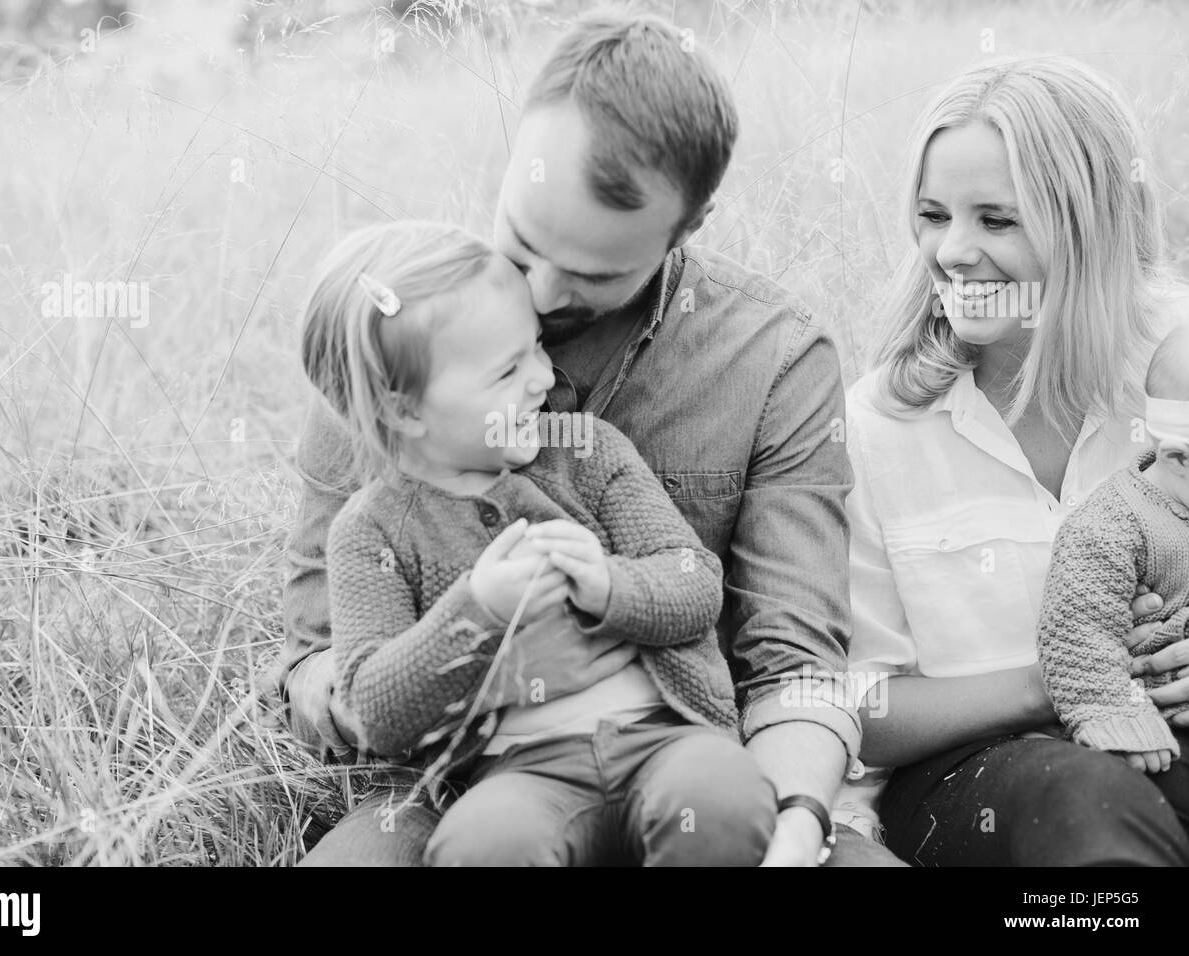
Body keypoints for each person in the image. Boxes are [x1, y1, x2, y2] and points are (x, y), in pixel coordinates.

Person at [281, 11, 902, 867]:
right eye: (524, 240)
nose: (537, 294)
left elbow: (790, 655)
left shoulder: (774, 358)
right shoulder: (392, 338)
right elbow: (321, 662)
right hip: (463, 787)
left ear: (689, 224)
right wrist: (464, 636)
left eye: (594, 274)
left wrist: (795, 819)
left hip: (689, 750)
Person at [303, 218, 775, 865]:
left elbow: (694, 582)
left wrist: (613, 584)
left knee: (720, 798)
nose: (544, 378)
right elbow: (377, 713)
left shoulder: (585, 454)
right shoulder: (371, 531)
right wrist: (477, 610)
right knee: (487, 846)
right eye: (507, 371)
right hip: (516, 775)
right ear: (403, 410)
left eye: (535, 348)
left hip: (661, 737)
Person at [839, 55, 1189, 865]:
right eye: (933, 215)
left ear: (1090, 224)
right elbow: (856, 706)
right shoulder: (875, 427)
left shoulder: (1174, 368)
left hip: (1163, 742)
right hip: (979, 779)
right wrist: (1059, 680)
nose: (952, 251)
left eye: (997, 220)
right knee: (1081, 805)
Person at [1034, 325, 1189, 828]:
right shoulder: (1114, 524)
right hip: (1154, 719)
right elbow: (1077, 631)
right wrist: (1114, 718)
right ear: (1180, 457)